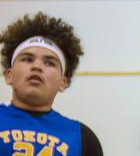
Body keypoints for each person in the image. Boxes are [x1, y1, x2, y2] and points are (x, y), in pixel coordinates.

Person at [1, 12, 103, 156]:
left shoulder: (83, 138)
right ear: (9, 75)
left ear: (63, 82)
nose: (37, 66)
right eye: (28, 59)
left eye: (49, 62)